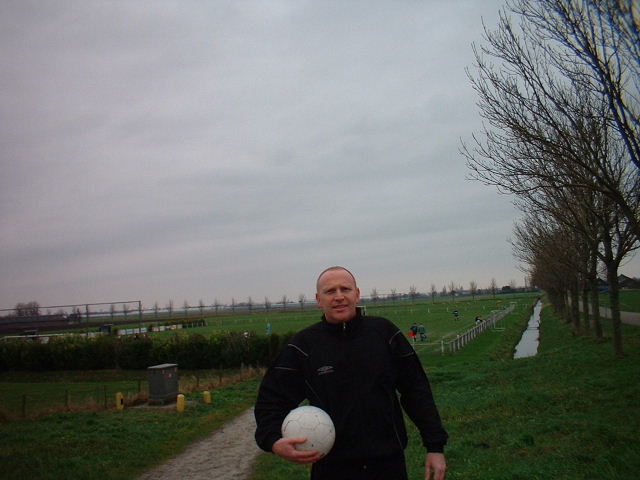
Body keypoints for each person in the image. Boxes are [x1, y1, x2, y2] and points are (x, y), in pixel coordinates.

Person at [254, 266, 448, 480]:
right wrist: (273, 440)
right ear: (319, 299)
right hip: (332, 469)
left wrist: (434, 446)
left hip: (388, 465)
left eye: (345, 289)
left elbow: (416, 390)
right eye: (330, 291)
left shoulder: (384, 334)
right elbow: (271, 399)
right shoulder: (304, 346)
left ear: (357, 294)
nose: (339, 297)